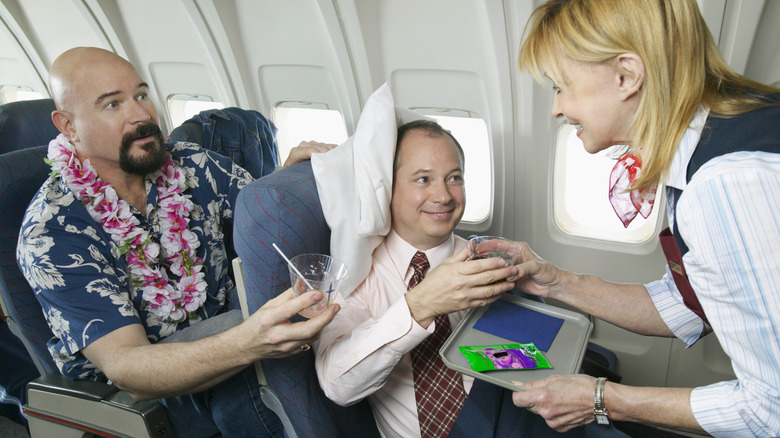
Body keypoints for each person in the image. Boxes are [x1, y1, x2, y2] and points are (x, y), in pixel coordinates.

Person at [16, 46, 338, 437]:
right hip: (143, 398)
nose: (141, 114)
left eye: (140, 94)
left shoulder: (193, 165)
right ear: (68, 126)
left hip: (230, 335)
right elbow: (127, 367)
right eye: (113, 105)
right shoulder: (51, 233)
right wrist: (251, 342)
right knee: (259, 377)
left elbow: (262, 224)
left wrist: (285, 184)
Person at [511, 1, 780, 437]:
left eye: (562, 86)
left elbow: (771, 410)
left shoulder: (727, 183)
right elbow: (689, 306)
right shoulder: (717, 135)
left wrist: (601, 399)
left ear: (626, 75)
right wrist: (552, 281)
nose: (555, 109)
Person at [314, 120, 620, 438]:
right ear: (388, 187)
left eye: (454, 178)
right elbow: (337, 386)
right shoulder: (356, 275)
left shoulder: (491, 259)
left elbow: (530, 360)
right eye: (423, 179)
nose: (444, 195)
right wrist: (420, 304)